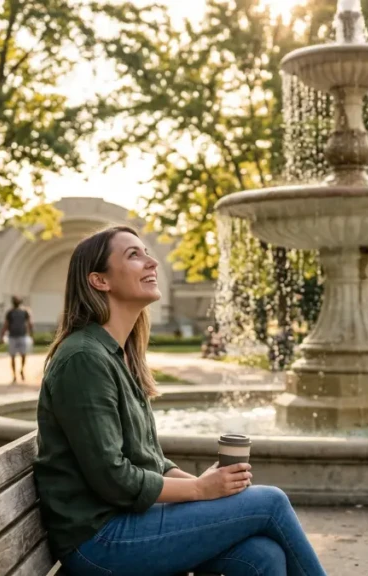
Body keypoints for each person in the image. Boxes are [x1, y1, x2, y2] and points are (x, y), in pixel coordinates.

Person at [33, 226, 326, 576]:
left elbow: (148, 459)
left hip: (128, 523)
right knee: (271, 503)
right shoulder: (83, 358)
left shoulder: (118, 355)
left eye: (146, 252)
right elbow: (113, 478)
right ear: (99, 281)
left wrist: (213, 489)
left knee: (261, 556)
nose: (151, 261)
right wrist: (200, 489)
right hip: (100, 541)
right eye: (133, 255)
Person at [0, 296, 33, 383]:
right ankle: (14, 375)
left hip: (22, 335)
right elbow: (6, 324)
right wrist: (2, 335)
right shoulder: (10, 312)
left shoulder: (25, 311)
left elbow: (29, 323)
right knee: (12, 356)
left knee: (23, 355)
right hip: (12, 336)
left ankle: (22, 370)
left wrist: (31, 334)